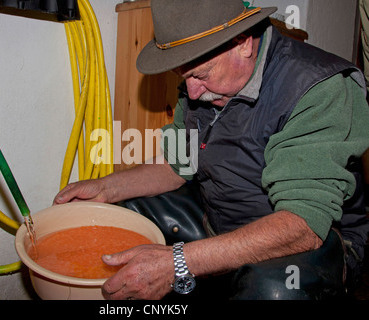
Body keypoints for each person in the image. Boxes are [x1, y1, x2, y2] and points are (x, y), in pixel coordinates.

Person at [54, 0, 369, 300]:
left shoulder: (318, 89)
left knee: (276, 289)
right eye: (184, 75)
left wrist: (178, 261)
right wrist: (106, 189)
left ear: (243, 42)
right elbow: (177, 164)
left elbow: (303, 225)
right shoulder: (201, 85)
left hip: (312, 245)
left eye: (200, 75)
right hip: (220, 223)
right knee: (122, 213)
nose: (191, 91)